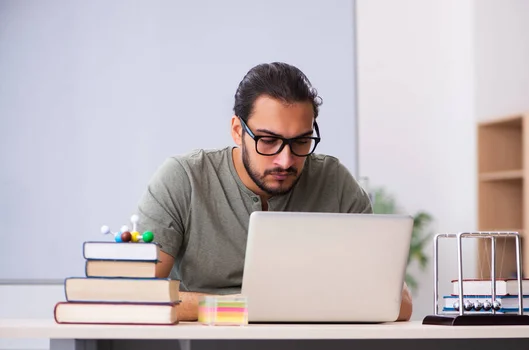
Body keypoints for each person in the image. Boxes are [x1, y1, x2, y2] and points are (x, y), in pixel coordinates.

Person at [136, 62, 413, 321]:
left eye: (302, 141)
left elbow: (398, 304)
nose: (286, 160)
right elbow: (138, 297)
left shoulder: (335, 182)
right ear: (237, 131)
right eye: (268, 141)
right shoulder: (184, 179)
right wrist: (242, 309)